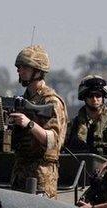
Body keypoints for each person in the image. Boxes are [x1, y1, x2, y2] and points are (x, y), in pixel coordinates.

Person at [9, 45, 68, 198]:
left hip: (41, 177)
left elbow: (54, 141)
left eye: (24, 68)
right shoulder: (25, 100)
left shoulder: (51, 101)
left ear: (38, 71)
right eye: (19, 67)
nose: (19, 71)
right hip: (20, 174)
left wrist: (29, 124)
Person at [65, 75, 107, 156]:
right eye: (90, 96)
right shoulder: (72, 126)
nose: (95, 99)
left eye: (98, 95)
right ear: (84, 97)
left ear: (103, 97)